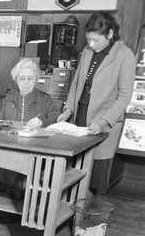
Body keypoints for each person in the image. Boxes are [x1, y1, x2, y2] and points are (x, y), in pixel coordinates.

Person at [57, 12, 136, 194]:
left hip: (103, 123)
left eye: (95, 40)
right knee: (73, 172)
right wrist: (68, 109)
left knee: (93, 179)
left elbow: (125, 96)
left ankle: (84, 218)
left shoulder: (125, 55)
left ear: (109, 34)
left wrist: (103, 122)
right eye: (89, 40)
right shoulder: (87, 51)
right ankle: (70, 212)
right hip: (80, 118)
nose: (91, 44)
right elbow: (77, 83)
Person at [0, 58, 60, 219]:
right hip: (8, 145)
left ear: (36, 78)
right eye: (22, 78)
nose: (26, 83)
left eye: (30, 78)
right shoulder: (10, 97)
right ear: (16, 79)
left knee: (23, 169)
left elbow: (56, 120)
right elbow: (0, 121)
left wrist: (42, 122)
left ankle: (19, 206)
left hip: (34, 148)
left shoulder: (45, 98)